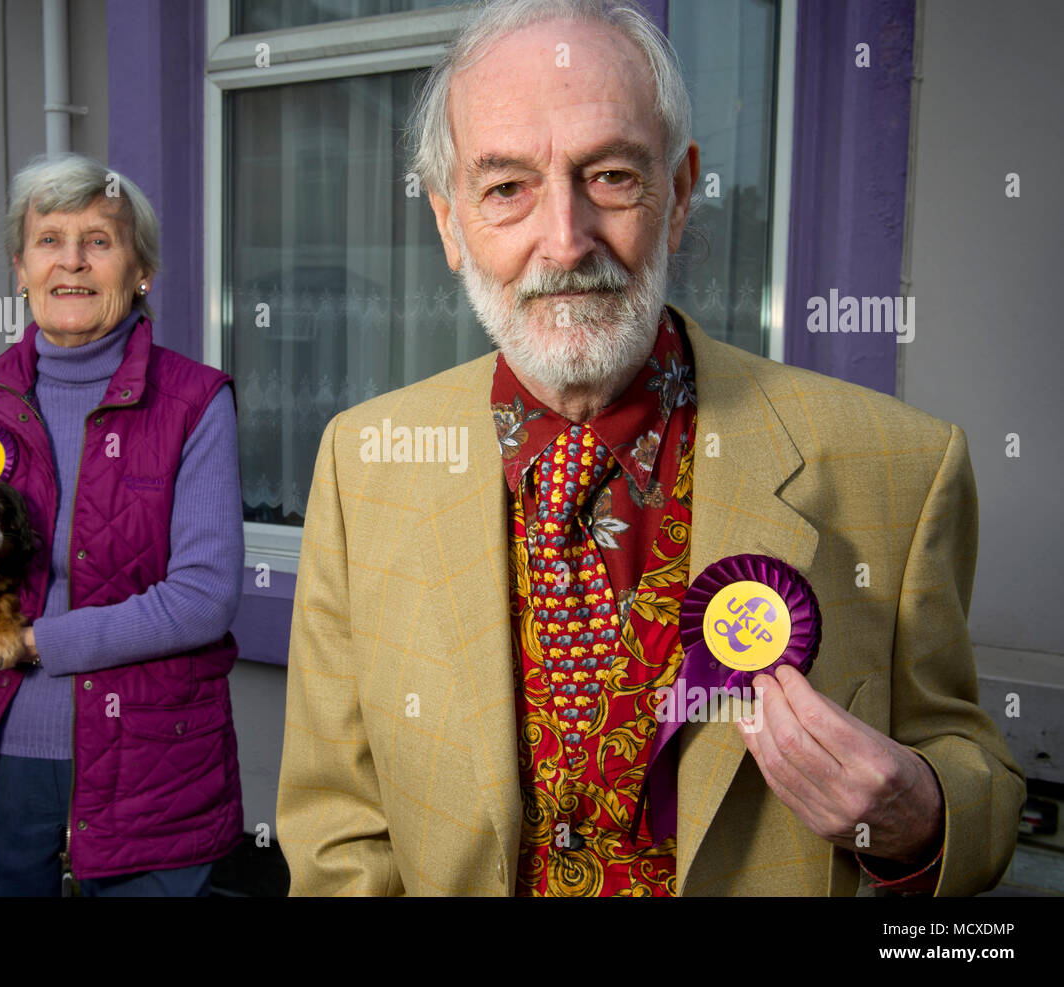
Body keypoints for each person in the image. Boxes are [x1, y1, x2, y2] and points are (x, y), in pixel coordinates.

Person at [276, 0, 1024, 896]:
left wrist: (920, 815)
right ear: (449, 223)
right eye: (506, 186)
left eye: (611, 176)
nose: (564, 240)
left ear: (676, 196)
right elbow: (336, 829)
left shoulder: (901, 466)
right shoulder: (365, 464)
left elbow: (978, 776)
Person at [0, 153, 244, 896]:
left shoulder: (193, 403)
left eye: (99, 239)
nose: (72, 261)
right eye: (49, 240)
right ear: (21, 268)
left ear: (142, 270)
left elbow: (204, 596)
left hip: (148, 769)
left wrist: (19, 643)